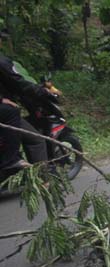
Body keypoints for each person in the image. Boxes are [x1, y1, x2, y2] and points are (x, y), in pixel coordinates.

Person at [0, 31, 49, 171]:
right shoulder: (2, 61)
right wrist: (41, 91)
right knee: (36, 140)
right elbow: (18, 82)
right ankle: (43, 179)